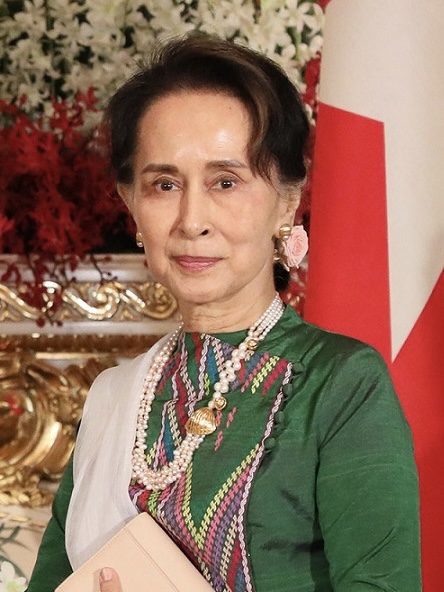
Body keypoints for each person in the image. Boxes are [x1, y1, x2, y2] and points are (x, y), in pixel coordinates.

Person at [27, 33, 421, 592]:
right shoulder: (116, 399)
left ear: (286, 201)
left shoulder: (341, 385)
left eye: (225, 182)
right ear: (131, 206)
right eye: (164, 184)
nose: (192, 219)